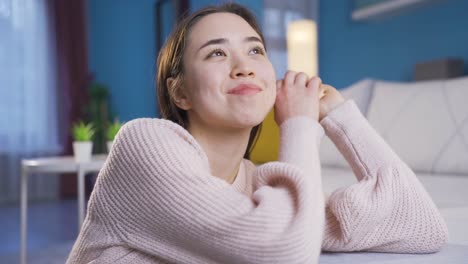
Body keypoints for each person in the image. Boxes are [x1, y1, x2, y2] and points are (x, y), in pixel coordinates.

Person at [66, 3, 448, 264]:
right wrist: (299, 124)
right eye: (217, 53)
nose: (244, 67)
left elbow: (419, 223)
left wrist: (341, 116)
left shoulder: (261, 188)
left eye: (255, 51)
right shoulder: (144, 144)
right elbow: (285, 254)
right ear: (179, 91)